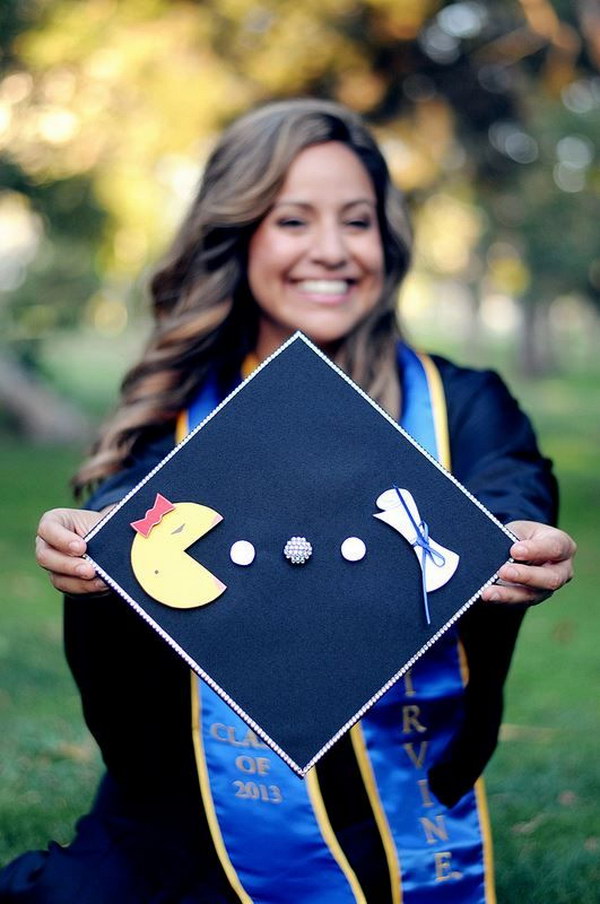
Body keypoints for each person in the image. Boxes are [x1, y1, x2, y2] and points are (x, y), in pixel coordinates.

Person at [1, 99, 575, 903]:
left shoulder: (460, 405)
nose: (332, 251)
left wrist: (516, 538)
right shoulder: (178, 415)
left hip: (392, 817)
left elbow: (507, 486)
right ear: (239, 237)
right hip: (190, 814)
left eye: (358, 221)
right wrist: (89, 542)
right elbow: (133, 507)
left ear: (389, 239)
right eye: (293, 221)